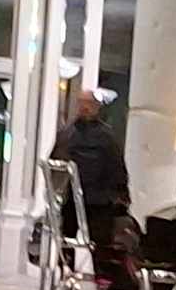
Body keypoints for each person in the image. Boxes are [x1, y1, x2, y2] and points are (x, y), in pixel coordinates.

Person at [49, 89, 130, 255]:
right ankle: (67, 267)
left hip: (99, 201)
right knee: (67, 243)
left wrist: (118, 194)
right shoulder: (66, 134)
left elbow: (117, 167)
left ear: (96, 107)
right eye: (82, 102)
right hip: (71, 198)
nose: (84, 107)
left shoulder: (107, 137)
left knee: (101, 246)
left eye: (89, 103)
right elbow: (56, 161)